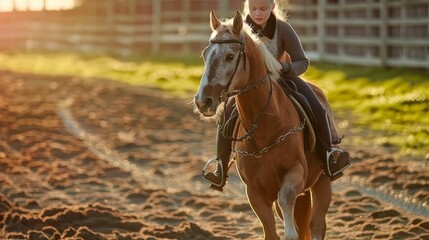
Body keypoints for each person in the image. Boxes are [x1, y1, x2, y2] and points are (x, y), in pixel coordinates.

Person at [202, 0, 350, 192]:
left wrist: (285, 68)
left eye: (263, 9)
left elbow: (302, 62)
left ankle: (329, 154)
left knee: (314, 103)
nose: (258, 13)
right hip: (251, 88)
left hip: (283, 79)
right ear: (247, 8)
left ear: (272, 7)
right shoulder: (239, 31)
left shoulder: (283, 29)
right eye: (253, 9)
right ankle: (220, 167)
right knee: (226, 116)